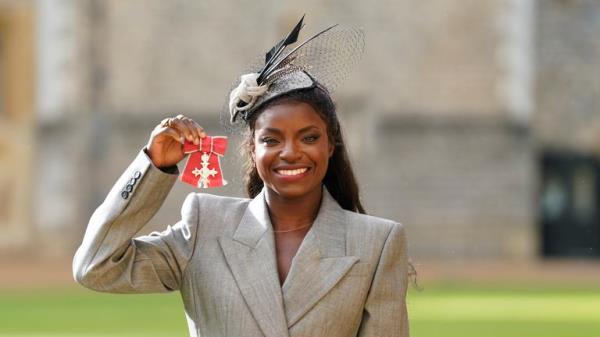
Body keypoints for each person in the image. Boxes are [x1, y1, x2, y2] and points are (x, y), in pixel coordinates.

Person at [73, 18, 409, 337]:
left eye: (309, 138)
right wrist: (152, 166)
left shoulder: (377, 243)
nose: (290, 152)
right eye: (271, 140)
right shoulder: (205, 226)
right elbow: (95, 267)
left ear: (331, 144)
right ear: (251, 148)